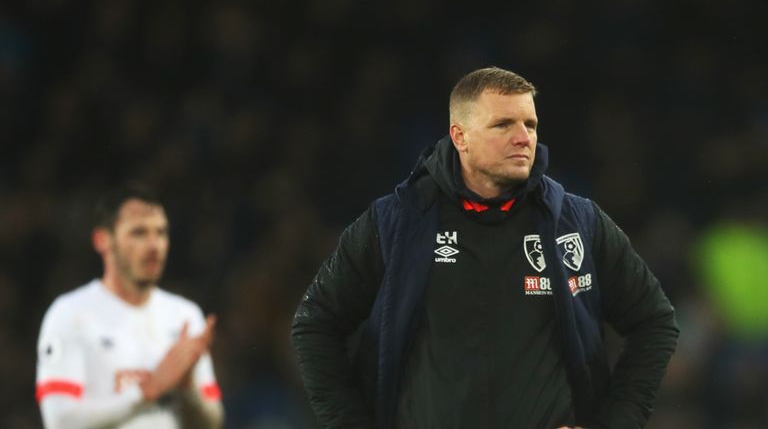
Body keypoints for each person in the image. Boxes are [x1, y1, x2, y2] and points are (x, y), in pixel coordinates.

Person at [291, 67, 679, 429]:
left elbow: (655, 322)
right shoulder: (397, 223)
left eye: (530, 124)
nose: (524, 137)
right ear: (460, 137)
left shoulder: (576, 222)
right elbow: (316, 322)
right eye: (503, 125)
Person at [36, 184, 224, 428]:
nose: (154, 245)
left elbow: (213, 423)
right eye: (139, 233)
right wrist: (146, 392)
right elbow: (59, 421)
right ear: (103, 240)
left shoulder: (185, 316)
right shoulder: (70, 314)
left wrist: (187, 389)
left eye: (161, 233)